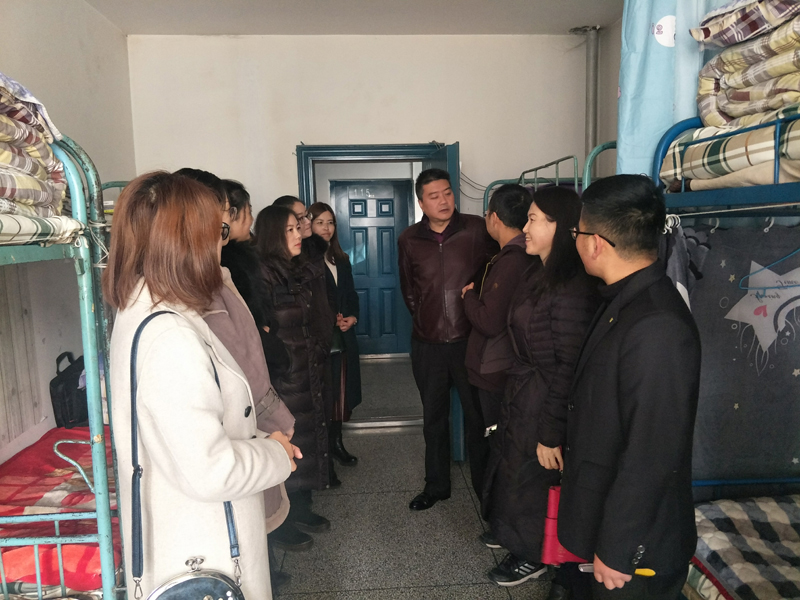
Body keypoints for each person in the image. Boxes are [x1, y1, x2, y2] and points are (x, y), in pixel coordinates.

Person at [103, 172, 298, 599]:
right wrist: (276, 454)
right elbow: (211, 470)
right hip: (202, 549)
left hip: (187, 532)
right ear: (189, 241)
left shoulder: (144, 311)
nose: (221, 244)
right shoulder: (170, 336)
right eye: (218, 231)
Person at [558, 175, 701, 600]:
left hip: (637, 549)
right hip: (602, 515)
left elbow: (653, 452)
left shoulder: (657, 325)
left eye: (577, 232)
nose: (575, 241)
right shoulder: (624, 299)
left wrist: (619, 548)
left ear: (595, 243)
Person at [480, 186, 600, 588]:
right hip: (525, 388)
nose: (525, 228)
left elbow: (569, 366)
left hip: (545, 395)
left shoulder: (572, 285)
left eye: (533, 220)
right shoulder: (538, 271)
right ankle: (510, 532)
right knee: (513, 465)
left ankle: (531, 553)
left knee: (533, 475)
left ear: (559, 226)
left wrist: (551, 432)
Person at [398, 168, 497, 511]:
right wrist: (427, 318)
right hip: (427, 344)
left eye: (447, 193)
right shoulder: (409, 239)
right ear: (421, 202)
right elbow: (409, 290)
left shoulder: (476, 229)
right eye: (434, 196)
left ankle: (487, 491)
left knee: (478, 419)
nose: (443, 201)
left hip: (470, 341)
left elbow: (497, 271)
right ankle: (436, 486)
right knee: (434, 419)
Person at [255, 204, 332, 552]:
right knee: (287, 440)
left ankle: (302, 508)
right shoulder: (263, 274)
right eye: (289, 229)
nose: (299, 233)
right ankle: (281, 522)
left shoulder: (298, 269)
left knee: (307, 436)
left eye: (297, 227)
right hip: (283, 373)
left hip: (306, 366)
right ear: (274, 235)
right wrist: (285, 363)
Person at [462, 184, 536, 435]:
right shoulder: (520, 254)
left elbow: (489, 321)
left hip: (496, 369)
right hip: (504, 366)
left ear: (494, 218)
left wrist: (468, 296)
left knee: (495, 440)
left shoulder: (512, 261)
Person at [309, 201, 362, 466]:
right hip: (319, 339)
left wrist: (352, 317)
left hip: (342, 337)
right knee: (324, 394)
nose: (326, 228)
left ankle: (337, 444)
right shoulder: (305, 259)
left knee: (341, 392)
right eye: (320, 222)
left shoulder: (340, 258)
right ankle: (322, 452)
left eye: (330, 222)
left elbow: (350, 294)